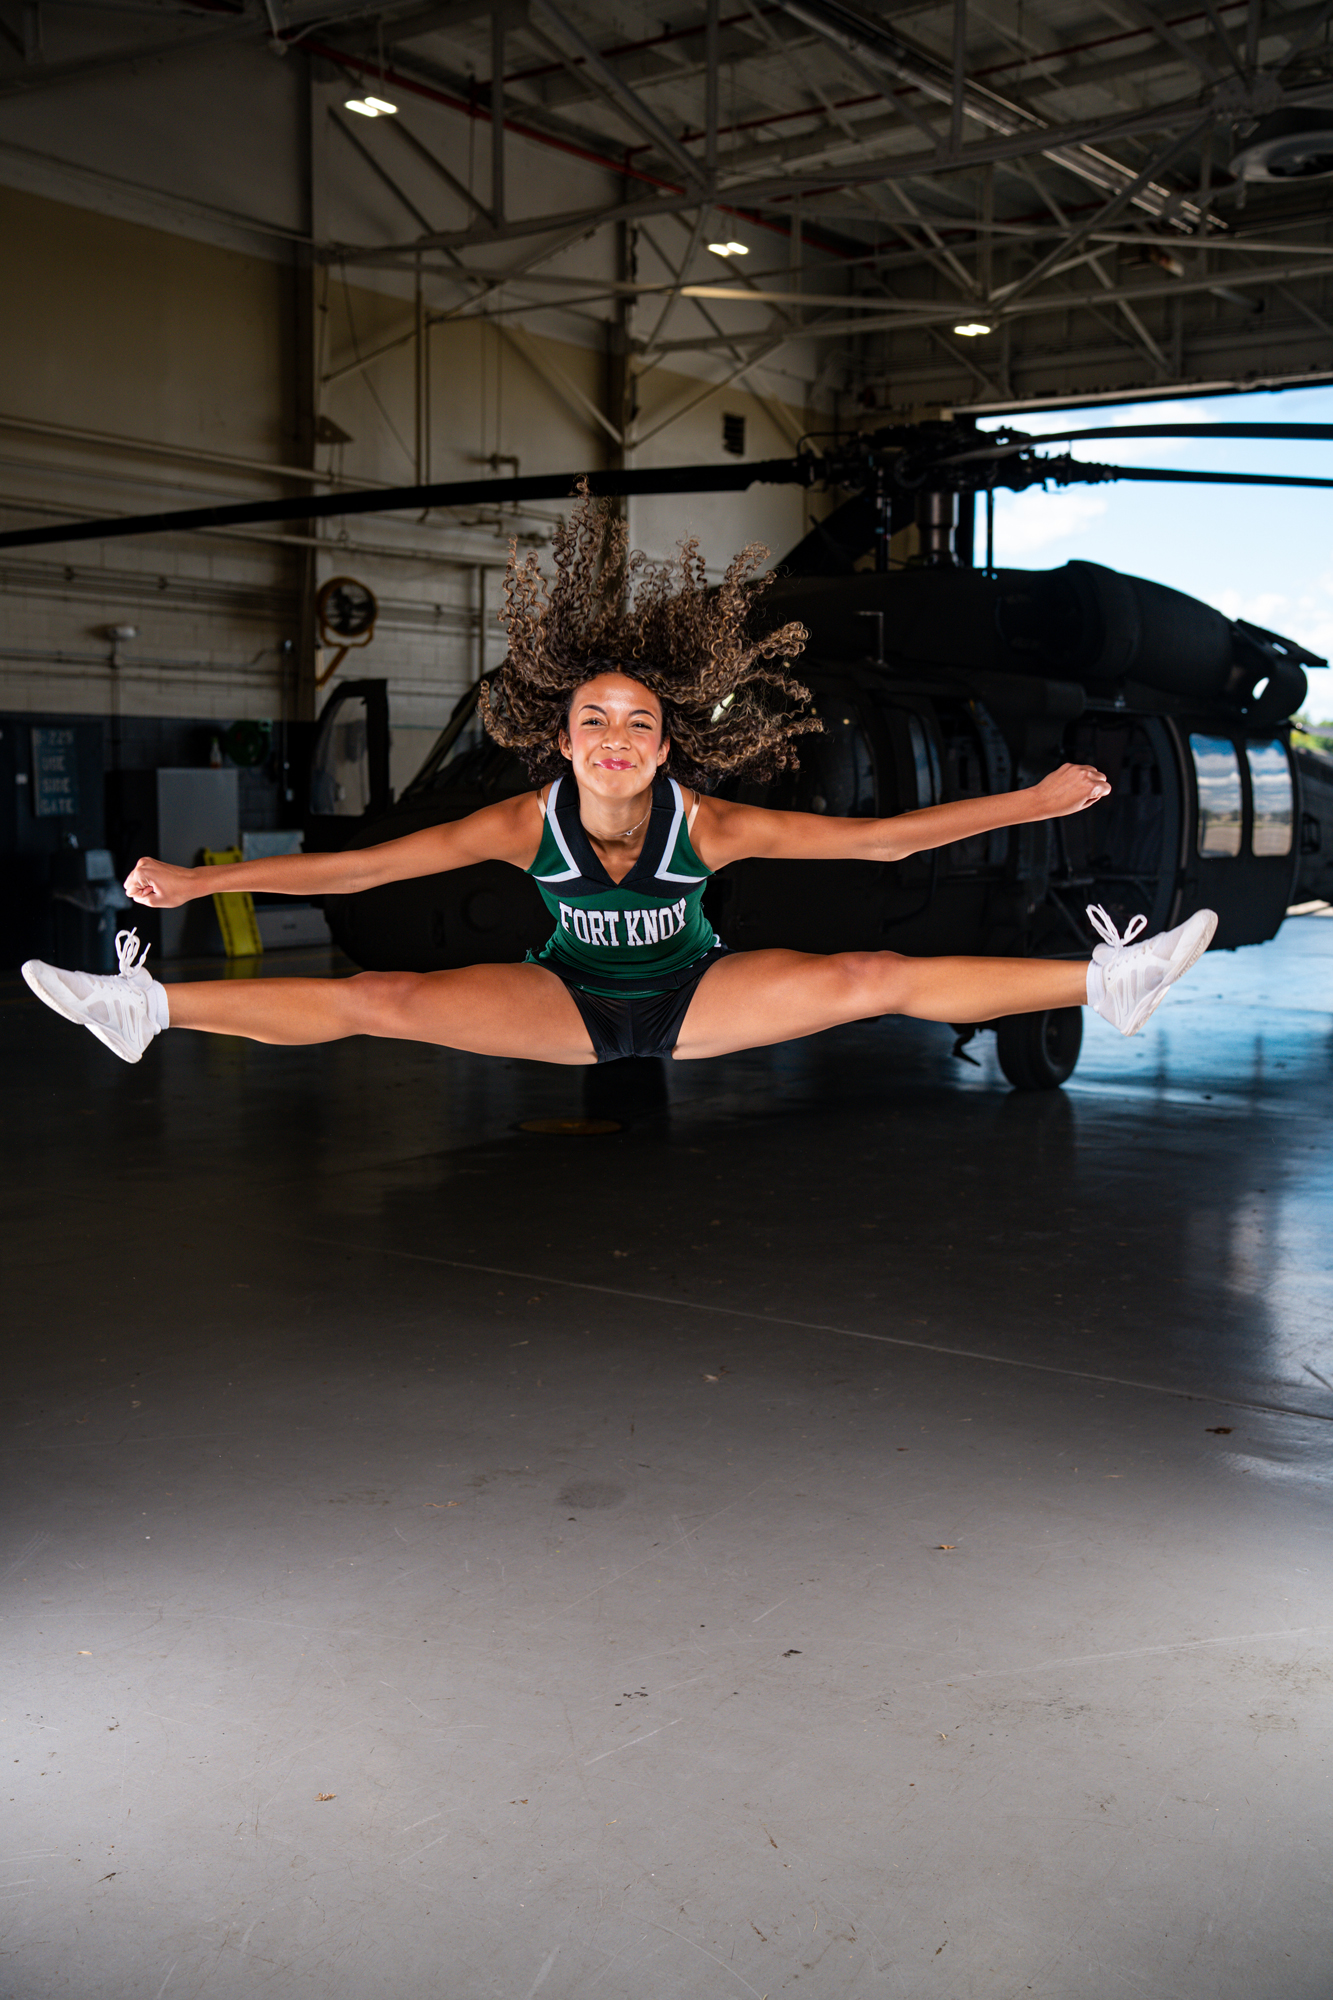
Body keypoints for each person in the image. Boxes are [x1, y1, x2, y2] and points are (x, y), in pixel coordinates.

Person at [22, 492, 1216, 1068]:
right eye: (592, 717)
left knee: (872, 975)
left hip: (695, 996)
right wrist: (201, 880)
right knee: (378, 995)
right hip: (566, 1003)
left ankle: (1104, 981)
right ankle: (145, 1009)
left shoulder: (714, 821)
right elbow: (363, 869)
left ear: (662, 745)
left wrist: (1031, 800)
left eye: (636, 721)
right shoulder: (518, 820)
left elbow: (883, 842)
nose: (612, 735)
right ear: (562, 737)